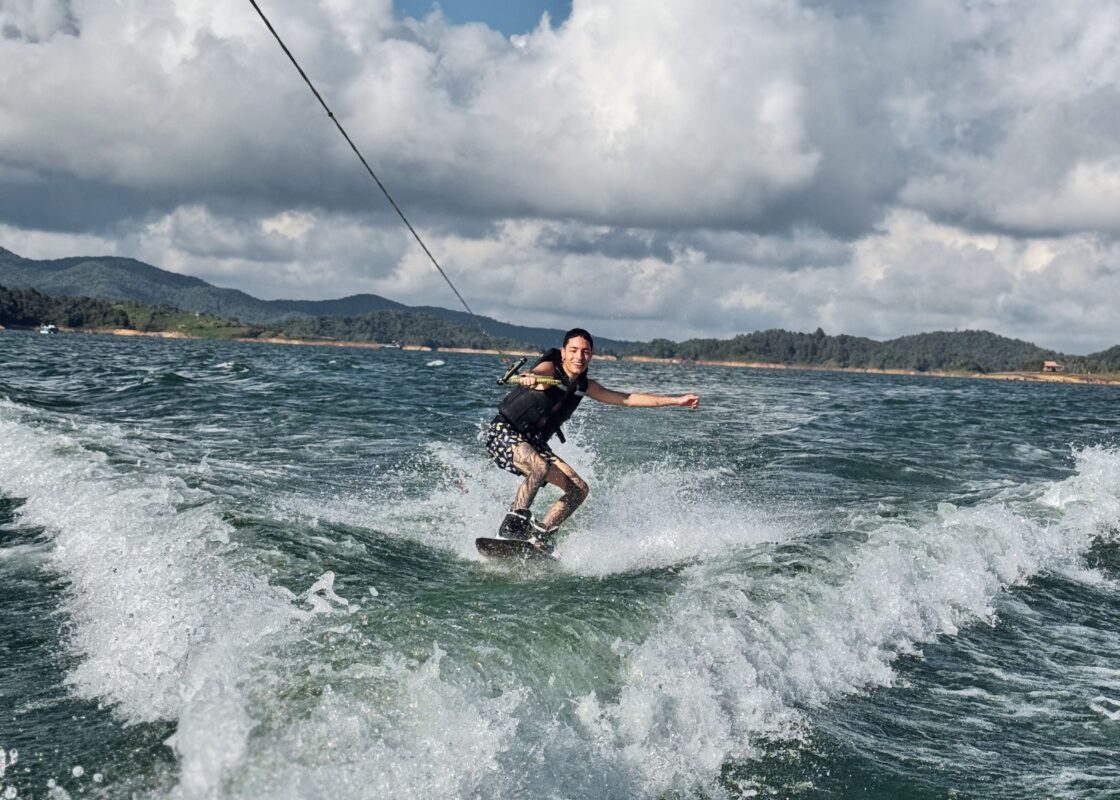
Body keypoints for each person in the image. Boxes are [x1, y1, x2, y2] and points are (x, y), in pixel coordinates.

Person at [484, 328, 700, 549]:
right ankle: (513, 524)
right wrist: (530, 377)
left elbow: (627, 398)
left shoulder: (585, 386)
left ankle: (540, 536)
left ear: (591, 355)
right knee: (538, 467)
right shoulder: (550, 370)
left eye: (585, 351)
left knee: (578, 490)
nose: (579, 356)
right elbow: (539, 374)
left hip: (534, 443)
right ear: (563, 352)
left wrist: (676, 400)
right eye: (574, 350)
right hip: (505, 431)